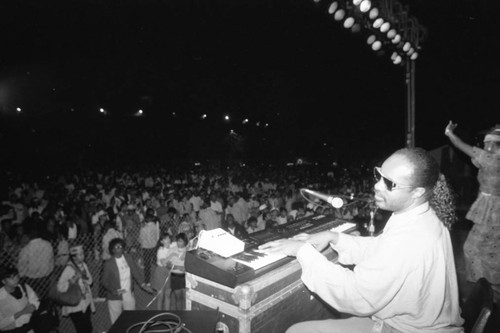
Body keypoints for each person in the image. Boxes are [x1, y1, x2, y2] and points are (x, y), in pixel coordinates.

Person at [260, 148, 464, 332]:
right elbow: (382, 248)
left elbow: (355, 296)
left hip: (405, 330)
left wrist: (301, 251)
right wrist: (336, 237)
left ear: (417, 192)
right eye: (379, 175)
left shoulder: (410, 237)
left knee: (297, 332)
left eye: (389, 183)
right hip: (415, 322)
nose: (377, 185)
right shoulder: (420, 215)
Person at [445, 121, 500, 294]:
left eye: (490, 143)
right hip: (495, 208)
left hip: (491, 210)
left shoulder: (490, 159)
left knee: (472, 247)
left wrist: (449, 133)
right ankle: (493, 286)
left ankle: (482, 288)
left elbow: (459, 145)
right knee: (491, 248)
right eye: (485, 144)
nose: (486, 147)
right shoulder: (493, 158)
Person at [101, 238, 153, 324]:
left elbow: (135, 272)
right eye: (117, 247)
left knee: (131, 318)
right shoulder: (109, 263)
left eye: (121, 246)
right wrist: (113, 291)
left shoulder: (128, 258)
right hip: (115, 296)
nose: (120, 248)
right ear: (112, 250)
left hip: (128, 293)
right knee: (116, 321)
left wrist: (144, 285)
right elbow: (104, 281)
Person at [56, 245, 95, 333]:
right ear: (74, 257)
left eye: (82, 254)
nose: (83, 256)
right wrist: (72, 280)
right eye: (80, 255)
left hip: (85, 301)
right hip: (75, 304)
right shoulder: (69, 269)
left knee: (88, 326)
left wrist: (86, 279)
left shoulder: (83, 265)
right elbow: (60, 287)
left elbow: (90, 280)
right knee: (81, 327)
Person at [0, 266, 40, 333]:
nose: (16, 280)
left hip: (29, 325)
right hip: (12, 330)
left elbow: (35, 300)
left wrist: (33, 306)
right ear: (3, 281)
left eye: (17, 276)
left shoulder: (23, 286)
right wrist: (22, 312)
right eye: (11, 278)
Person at [151, 232, 176, 310]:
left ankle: (167, 313)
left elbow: (181, 242)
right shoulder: (161, 250)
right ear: (161, 241)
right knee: (160, 296)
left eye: (168, 238)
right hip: (161, 272)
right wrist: (172, 255)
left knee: (168, 295)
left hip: (170, 272)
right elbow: (164, 262)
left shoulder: (172, 245)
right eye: (165, 239)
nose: (168, 240)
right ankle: (159, 314)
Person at [169, 233, 188, 310]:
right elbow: (167, 264)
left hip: (185, 277)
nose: (178, 243)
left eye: (181, 241)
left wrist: (185, 268)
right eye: (177, 241)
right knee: (178, 297)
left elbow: (191, 265)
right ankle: (180, 315)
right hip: (175, 276)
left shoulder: (188, 251)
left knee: (186, 297)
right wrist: (177, 267)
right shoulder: (172, 250)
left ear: (185, 241)